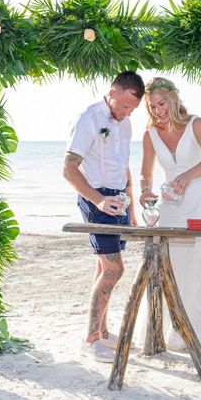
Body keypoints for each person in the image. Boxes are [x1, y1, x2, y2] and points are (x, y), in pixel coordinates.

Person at [63, 70, 144, 363]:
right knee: (114, 270)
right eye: (123, 106)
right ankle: (91, 339)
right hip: (96, 199)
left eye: (132, 109)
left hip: (119, 201)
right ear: (112, 91)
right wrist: (98, 200)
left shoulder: (126, 124)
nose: (126, 114)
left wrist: (131, 208)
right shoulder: (89, 118)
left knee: (103, 269)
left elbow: (125, 168)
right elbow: (69, 168)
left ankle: (104, 331)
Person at [137, 77, 201, 351]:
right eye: (152, 107)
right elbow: (145, 173)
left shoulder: (196, 123)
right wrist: (146, 191)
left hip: (198, 201)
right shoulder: (150, 134)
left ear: (173, 97)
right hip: (169, 204)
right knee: (165, 266)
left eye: (161, 103)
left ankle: (193, 332)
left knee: (195, 266)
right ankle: (162, 330)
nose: (158, 111)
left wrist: (187, 176)